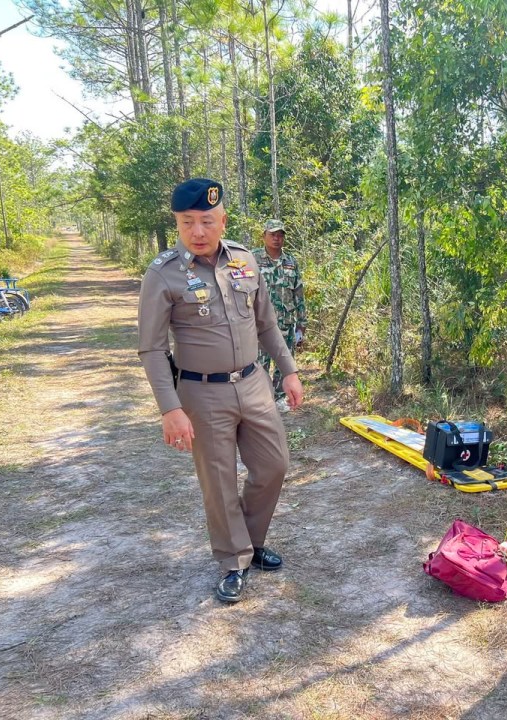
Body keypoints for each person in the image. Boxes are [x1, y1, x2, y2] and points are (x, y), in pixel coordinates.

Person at [137, 178, 304, 604]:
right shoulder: (163, 274)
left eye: (206, 221)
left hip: (253, 383)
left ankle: (250, 540)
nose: (197, 230)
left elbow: (266, 323)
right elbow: (153, 349)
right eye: (187, 221)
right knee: (219, 480)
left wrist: (288, 371)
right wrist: (169, 408)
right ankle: (234, 560)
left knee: (274, 466)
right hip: (201, 392)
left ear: (222, 220)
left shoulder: (245, 261)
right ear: (177, 223)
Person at [252, 219, 306, 413]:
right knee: (260, 362)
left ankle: (281, 397)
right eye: (272, 234)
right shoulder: (253, 259)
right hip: (260, 324)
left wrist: (302, 323)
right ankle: (261, 399)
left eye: (280, 234)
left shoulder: (291, 262)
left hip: (287, 321)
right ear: (264, 235)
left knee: (285, 362)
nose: (277, 238)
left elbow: (298, 293)